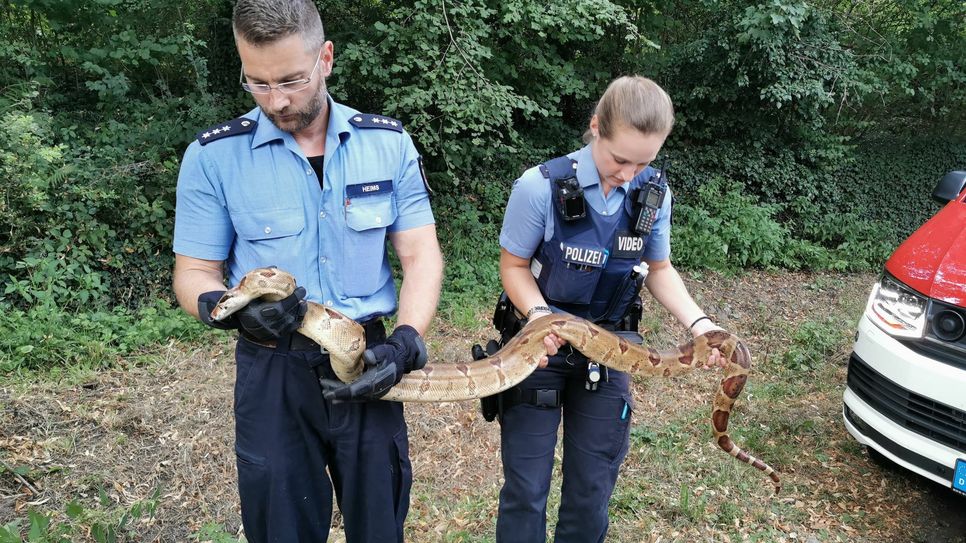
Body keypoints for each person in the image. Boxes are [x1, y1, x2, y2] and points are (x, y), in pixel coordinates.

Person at [171, 0, 443, 541]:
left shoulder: (387, 145)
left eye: (292, 80)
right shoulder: (213, 158)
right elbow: (194, 271)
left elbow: (421, 256)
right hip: (272, 368)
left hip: (368, 358)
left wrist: (407, 340)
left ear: (326, 58)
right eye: (259, 83)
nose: (277, 100)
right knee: (281, 525)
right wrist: (226, 311)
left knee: (380, 521)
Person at [490, 76, 723, 542]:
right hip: (539, 350)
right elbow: (513, 266)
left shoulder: (653, 195)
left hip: (611, 351)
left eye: (644, 162)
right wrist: (539, 317)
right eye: (619, 159)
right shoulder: (539, 187)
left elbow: (658, 269)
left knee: (592, 489)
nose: (629, 174)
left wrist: (701, 324)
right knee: (526, 489)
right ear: (596, 127)